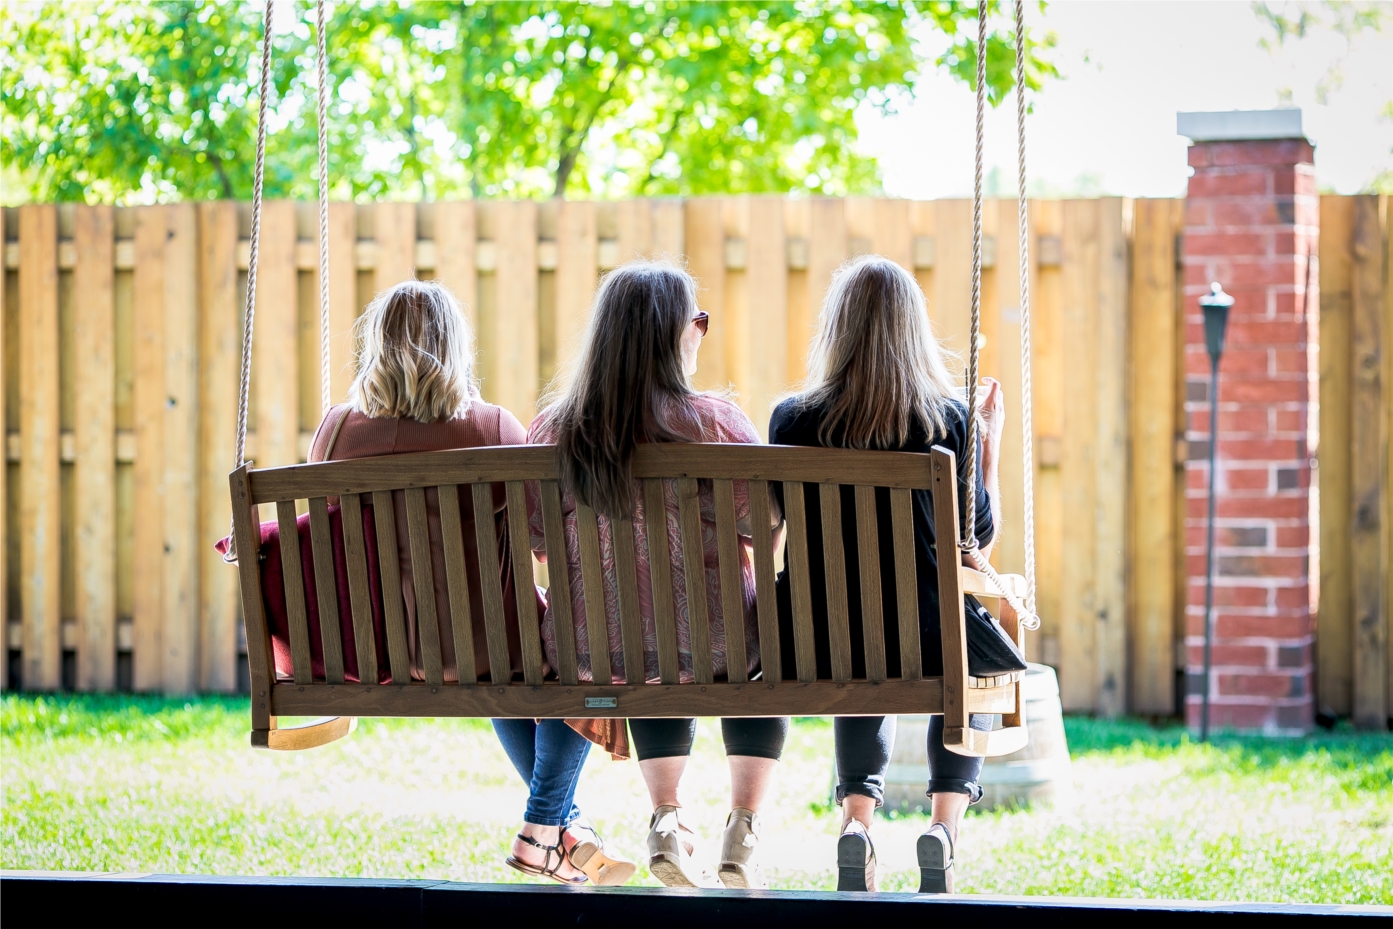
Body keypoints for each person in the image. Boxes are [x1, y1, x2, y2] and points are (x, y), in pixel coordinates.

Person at [306, 279, 633, 887]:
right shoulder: (493, 425)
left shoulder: (337, 429)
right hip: (484, 651)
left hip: (376, 650)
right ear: (457, 347)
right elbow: (541, 534)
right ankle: (546, 825)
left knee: (520, 652)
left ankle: (568, 831)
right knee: (583, 653)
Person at [768, 255, 1025, 895]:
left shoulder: (792, 420)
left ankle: (857, 824)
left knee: (865, 649)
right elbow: (978, 536)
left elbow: (774, 513)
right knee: (977, 658)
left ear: (837, 329)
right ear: (913, 329)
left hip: (817, 637)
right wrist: (987, 449)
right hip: (930, 638)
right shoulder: (947, 421)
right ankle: (942, 830)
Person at [527, 260, 787, 889]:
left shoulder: (557, 430)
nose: (702, 332)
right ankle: (742, 828)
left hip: (591, 648)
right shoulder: (718, 424)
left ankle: (666, 817)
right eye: (697, 321)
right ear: (675, 335)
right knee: (748, 655)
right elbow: (765, 522)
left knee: (649, 645)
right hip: (722, 647)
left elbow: (536, 540)